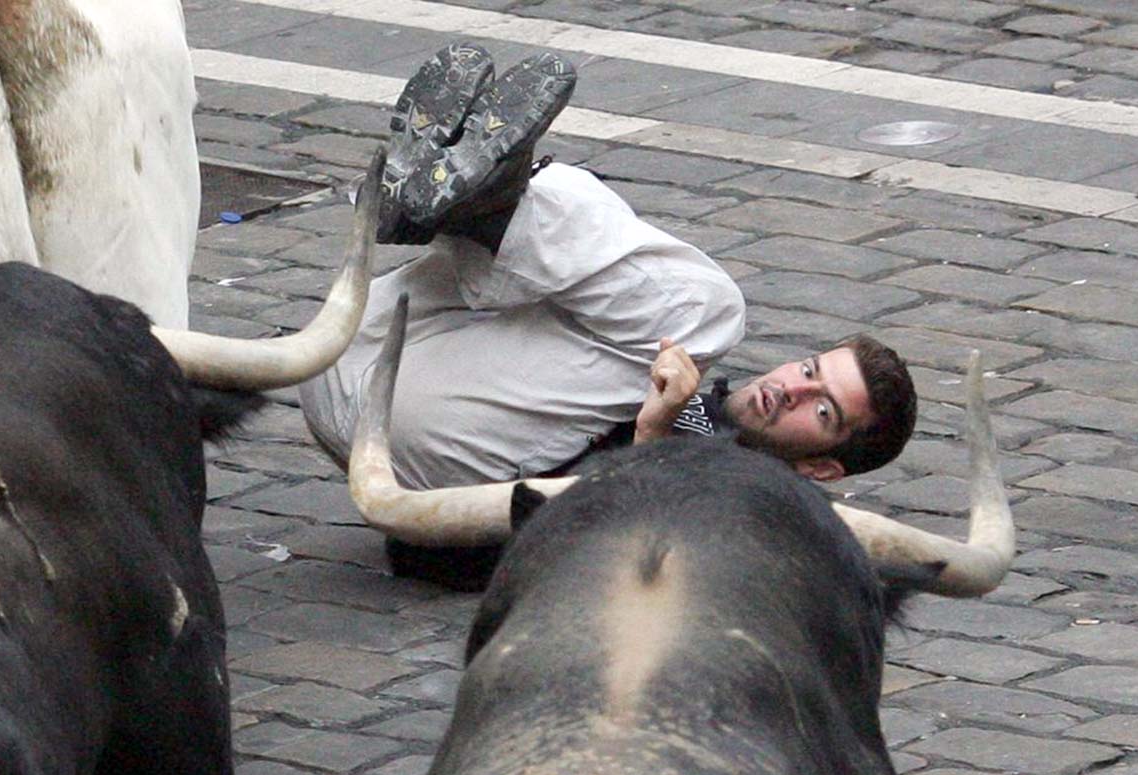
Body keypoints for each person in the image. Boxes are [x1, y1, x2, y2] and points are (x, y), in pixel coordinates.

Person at [300, 43, 917, 501]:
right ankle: (469, 206)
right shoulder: (703, 400)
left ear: (821, 468)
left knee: (706, 310)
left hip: (431, 446)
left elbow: (626, 548)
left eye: (823, 410)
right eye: (809, 371)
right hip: (345, 352)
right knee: (576, 269)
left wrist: (652, 430)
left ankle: (486, 207)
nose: (792, 390)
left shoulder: (755, 501)